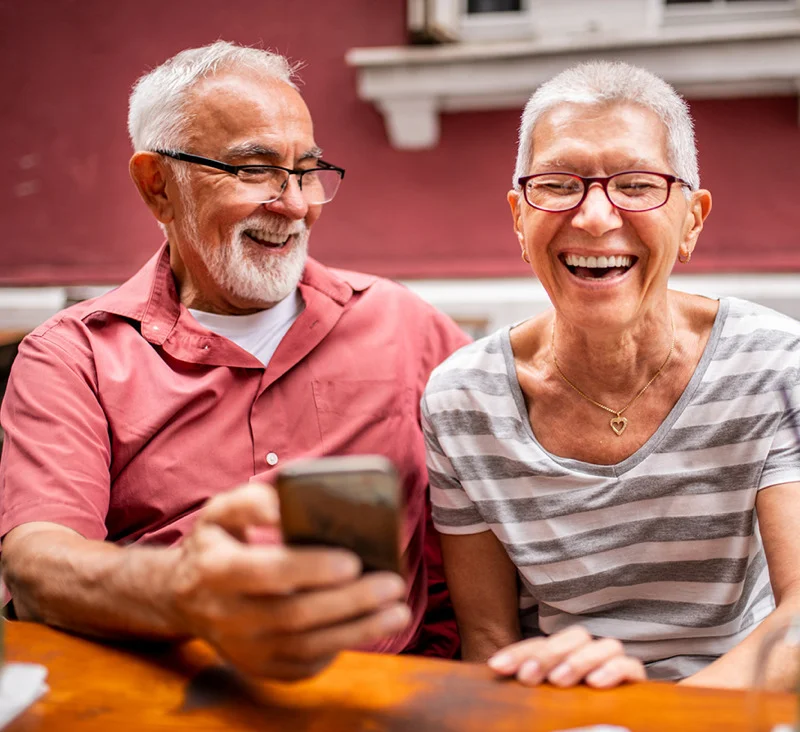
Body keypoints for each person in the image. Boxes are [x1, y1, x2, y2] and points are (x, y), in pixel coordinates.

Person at [0, 41, 472, 680]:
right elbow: (37, 565)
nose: (296, 203)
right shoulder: (72, 355)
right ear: (157, 186)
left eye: (306, 170)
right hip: (169, 699)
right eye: (255, 170)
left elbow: (522, 474)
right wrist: (182, 592)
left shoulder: (401, 323)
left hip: (390, 697)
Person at [422, 61, 800, 690]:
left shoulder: (773, 364)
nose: (595, 216)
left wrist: (652, 721)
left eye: (636, 184)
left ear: (693, 220)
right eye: (557, 183)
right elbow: (489, 641)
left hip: (735, 706)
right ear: (519, 218)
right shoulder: (466, 399)